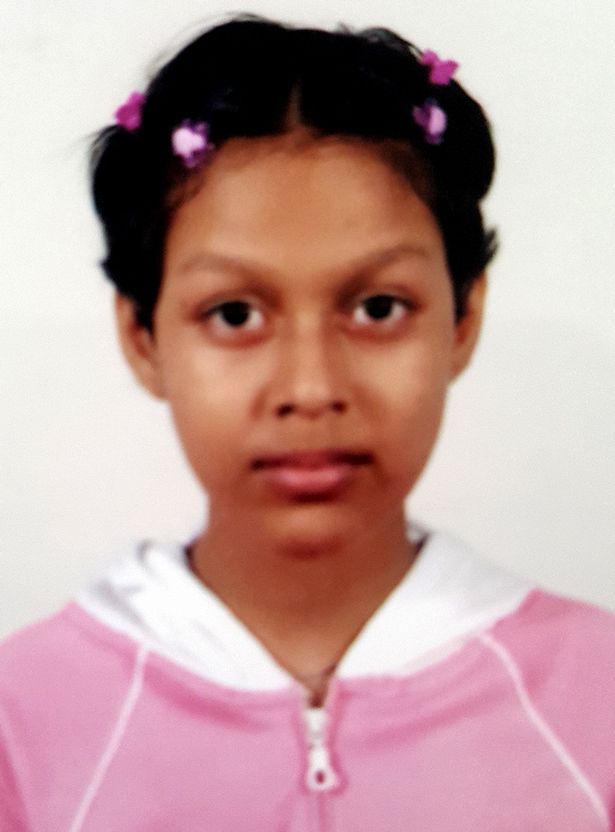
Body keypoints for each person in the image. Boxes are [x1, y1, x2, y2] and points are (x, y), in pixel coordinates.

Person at [1, 14, 613, 831]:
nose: (311, 388)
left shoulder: (597, 702)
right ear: (142, 336)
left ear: (462, 318)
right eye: (233, 314)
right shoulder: (22, 725)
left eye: (378, 307)